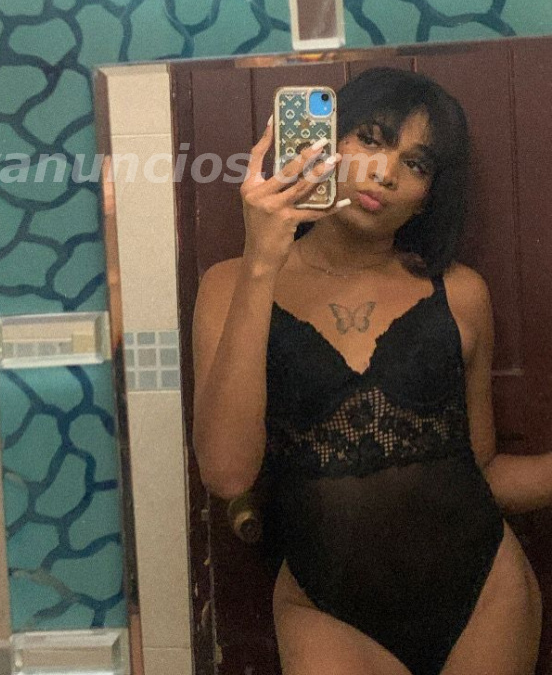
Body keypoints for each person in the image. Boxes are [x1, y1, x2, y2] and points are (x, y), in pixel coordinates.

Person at [192, 66, 549, 675]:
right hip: (325, 612)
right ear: (325, 142)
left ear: (430, 192)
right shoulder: (231, 285)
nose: (384, 173)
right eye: (372, 138)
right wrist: (262, 261)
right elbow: (227, 474)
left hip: (486, 594)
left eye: (417, 163)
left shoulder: (461, 294)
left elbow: (482, 469)